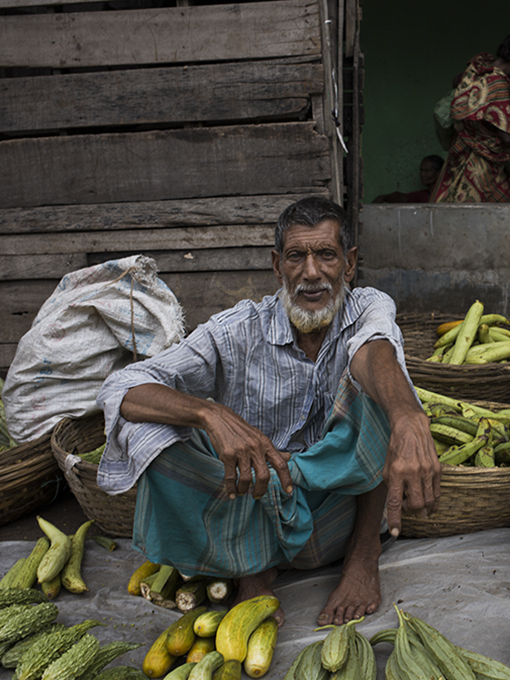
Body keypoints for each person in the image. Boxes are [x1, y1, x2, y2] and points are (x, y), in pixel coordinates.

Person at [96, 197, 441, 626]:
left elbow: (373, 351)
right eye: (297, 256)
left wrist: (408, 414)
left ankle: (363, 556)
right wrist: (210, 414)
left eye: (327, 255)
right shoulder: (238, 329)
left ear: (349, 264)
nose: (311, 273)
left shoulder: (367, 307)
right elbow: (120, 387)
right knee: (154, 426)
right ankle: (251, 570)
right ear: (278, 266)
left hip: (334, 511)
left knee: (381, 394)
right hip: (247, 505)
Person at [432, 32, 510, 203]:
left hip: (460, 152)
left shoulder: (479, 68)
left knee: (451, 204)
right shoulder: (499, 84)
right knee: (477, 215)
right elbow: (507, 138)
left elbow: (456, 81)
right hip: (482, 166)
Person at [372, 155, 444, 203]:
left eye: (427, 171)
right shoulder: (423, 195)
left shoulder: (449, 195)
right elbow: (400, 198)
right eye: (421, 171)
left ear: (439, 173)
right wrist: (383, 197)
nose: (422, 174)